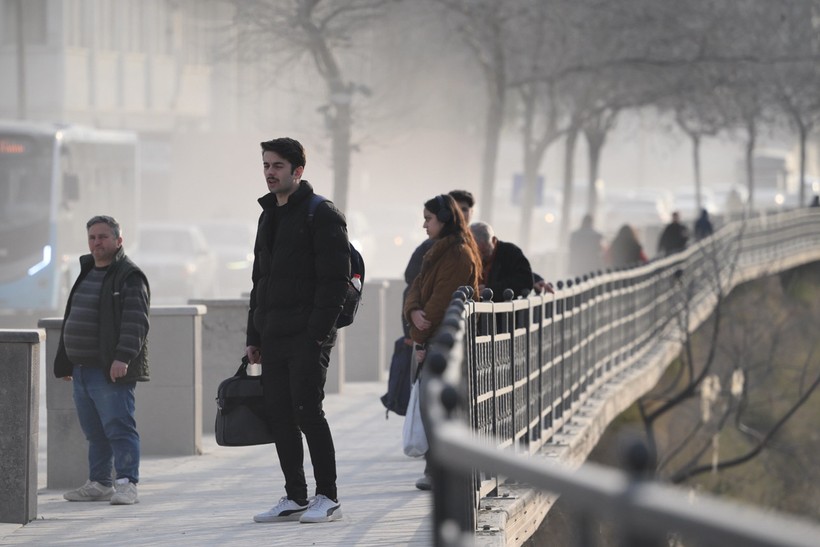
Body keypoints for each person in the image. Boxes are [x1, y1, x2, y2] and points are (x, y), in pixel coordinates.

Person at [246, 137, 349, 525]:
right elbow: (260, 280)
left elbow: (335, 281)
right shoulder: (268, 215)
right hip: (272, 335)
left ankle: (328, 496)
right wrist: (253, 336)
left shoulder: (320, 213)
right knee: (280, 416)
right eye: (266, 165)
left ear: (297, 171)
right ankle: (295, 496)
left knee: (308, 412)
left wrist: (316, 335)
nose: (270, 173)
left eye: (277, 166)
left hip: (307, 336)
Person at [54, 215, 150, 506]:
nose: (97, 242)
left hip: (110, 370)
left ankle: (126, 484)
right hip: (82, 370)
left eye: (103, 237)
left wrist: (122, 357)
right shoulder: (86, 270)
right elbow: (74, 315)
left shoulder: (129, 276)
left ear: (118, 241)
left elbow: (136, 321)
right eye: (92, 237)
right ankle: (99, 483)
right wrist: (67, 363)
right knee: (94, 432)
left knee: (119, 428)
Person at [403, 194, 481, 491]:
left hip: (444, 344)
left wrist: (420, 334)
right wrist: (412, 311)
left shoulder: (459, 254)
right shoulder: (435, 250)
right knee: (430, 407)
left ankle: (441, 471)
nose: (424, 225)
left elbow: (442, 301)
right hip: (430, 339)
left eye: (428, 219)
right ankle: (434, 468)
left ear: (444, 220)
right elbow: (416, 288)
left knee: (439, 408)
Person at [470, 221, 534, 301]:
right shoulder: (466, 254)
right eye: (476, 252)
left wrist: (490, 289)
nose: (480, 256)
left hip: (502, 310)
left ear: (493, 240)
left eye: (484, 251)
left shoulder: (510, 253)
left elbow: (525, 281)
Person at [568, 214, 604, 278]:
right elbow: (599, 250)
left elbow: (572, 248)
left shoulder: (575, 234)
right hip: (592, 264)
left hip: (578, 264)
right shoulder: (597, 236)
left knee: (579, 282)